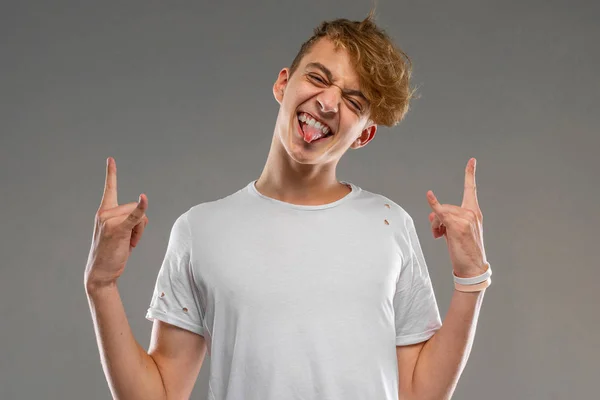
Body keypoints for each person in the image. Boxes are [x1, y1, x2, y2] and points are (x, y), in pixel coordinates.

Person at [85, 10, 491, 400]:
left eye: (352, 100)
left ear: (364, 135)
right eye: (318, 77)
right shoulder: (201, 229)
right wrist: (101, 285)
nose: (329, 103)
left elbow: (418, 394)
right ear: (283, 84)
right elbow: (161, 394)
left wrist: (471, 278)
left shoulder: (390, 225)